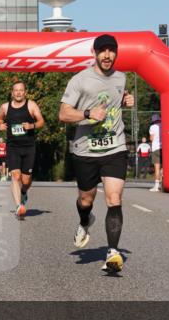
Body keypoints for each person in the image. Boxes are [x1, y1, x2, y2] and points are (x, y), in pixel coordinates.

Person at [58, 34, 135, 274]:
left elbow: (113, 98)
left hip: (115, 147)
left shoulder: (121, 77)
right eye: (102, 50)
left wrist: (125, 100)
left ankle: (112, 253)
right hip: (86, 150)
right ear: (94, 52)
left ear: (116, 53)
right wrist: (88, 114)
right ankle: (84, 221)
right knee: (86, 200)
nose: (107, 55)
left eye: (112, 51)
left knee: (114, 199)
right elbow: (63, 114)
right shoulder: (80, 80)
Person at [0, 80, 45, 219]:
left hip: (29, 147)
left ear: (25, 92)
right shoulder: (5, 107)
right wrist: (0, 125)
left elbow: (41, 121)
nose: (18, 93)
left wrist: (32, 126)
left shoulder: (31, 105)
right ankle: (19, 206)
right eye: (15, 90)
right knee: (15, 176)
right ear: (12, 93)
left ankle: (24, 192)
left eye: (21, 90)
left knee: (26, 181)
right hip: (13, 146)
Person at [148, 113, 162, 192]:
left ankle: (156, 186)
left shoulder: (152, 127)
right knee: (163, 168)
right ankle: (163, 184)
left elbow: (151, 139)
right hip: (164, 148)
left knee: (157, 167)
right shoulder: (163, 125)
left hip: (156, 148)